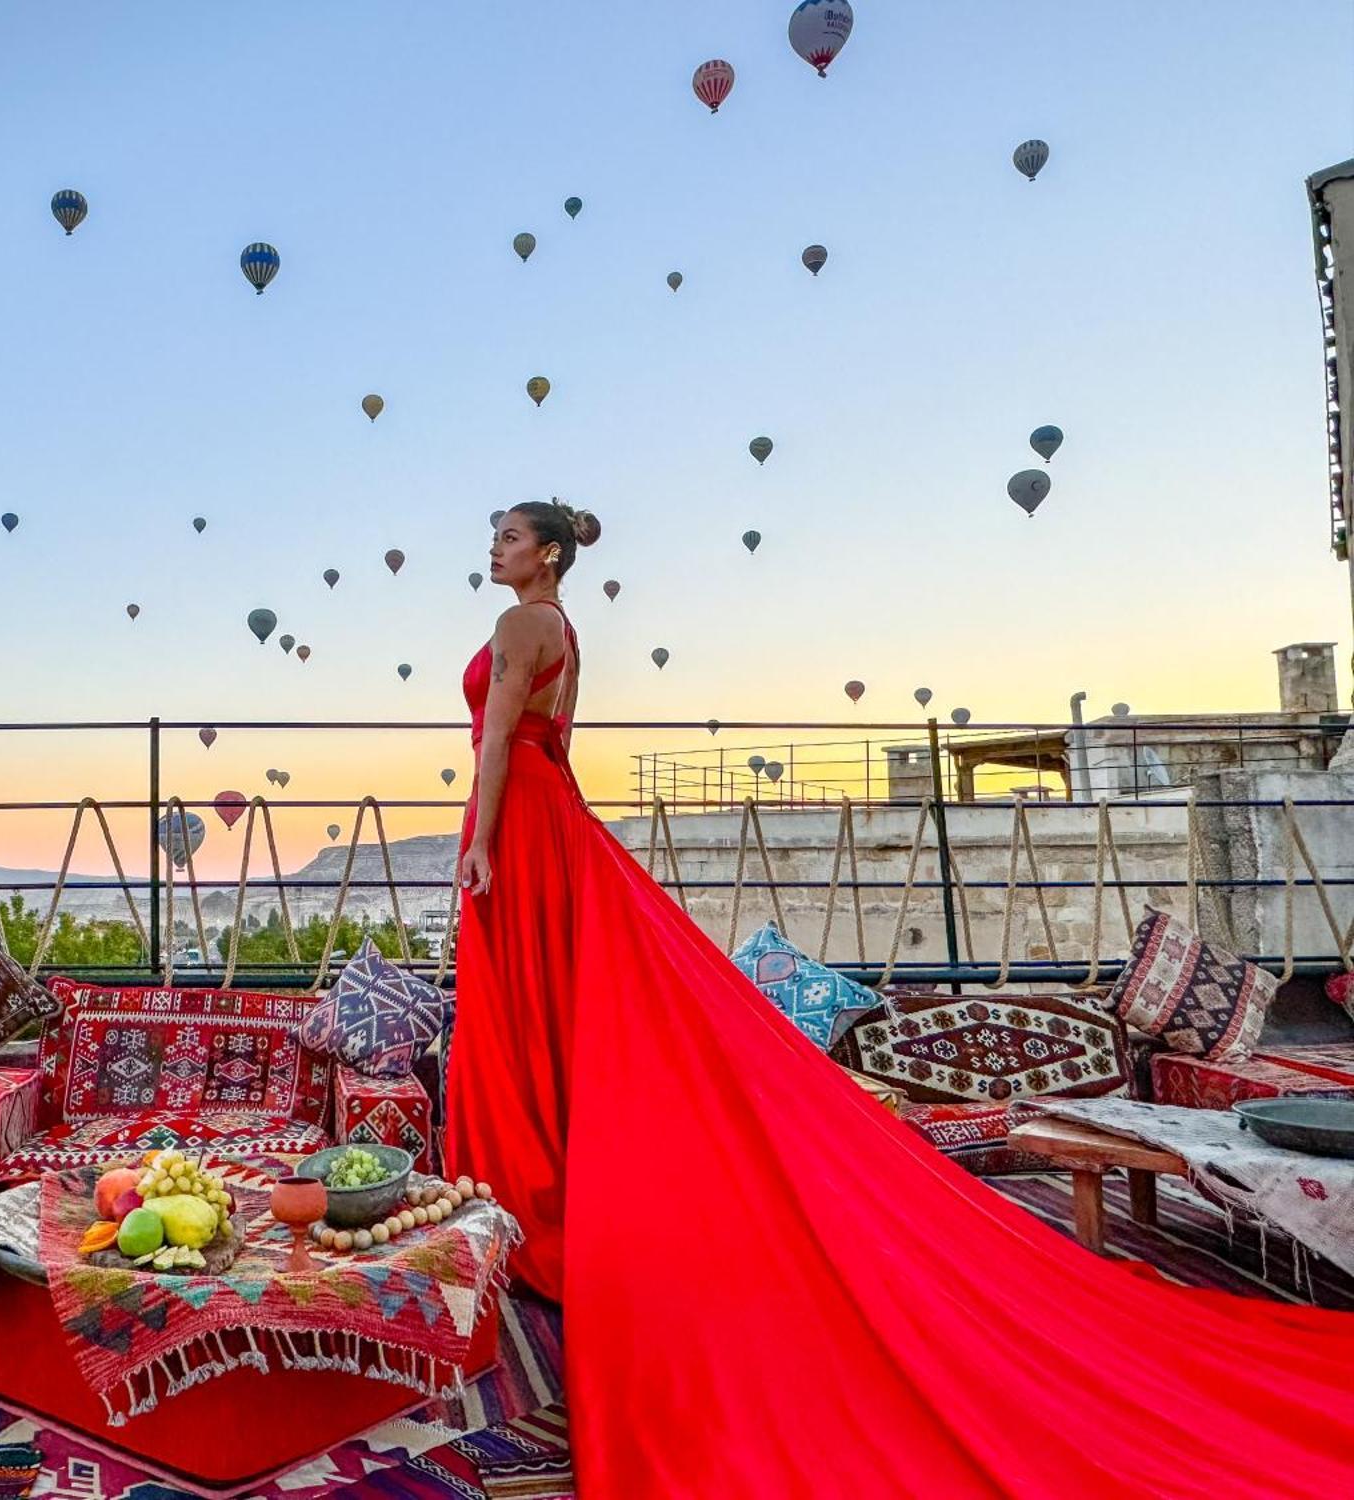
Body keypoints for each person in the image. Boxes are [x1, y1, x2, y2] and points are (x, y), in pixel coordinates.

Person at [444, 499, 1354, 1496]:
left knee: (526, 1015)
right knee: (556, 1013)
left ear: (549, 553)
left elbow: (499, 745)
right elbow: (550, 749)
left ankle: (525, 1210)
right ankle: (535, 1202)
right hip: (549, 819)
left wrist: (484, 841)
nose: (493, 549)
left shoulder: (518, 623)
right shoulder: (560, 628)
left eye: (507, 537)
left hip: (522, 823)